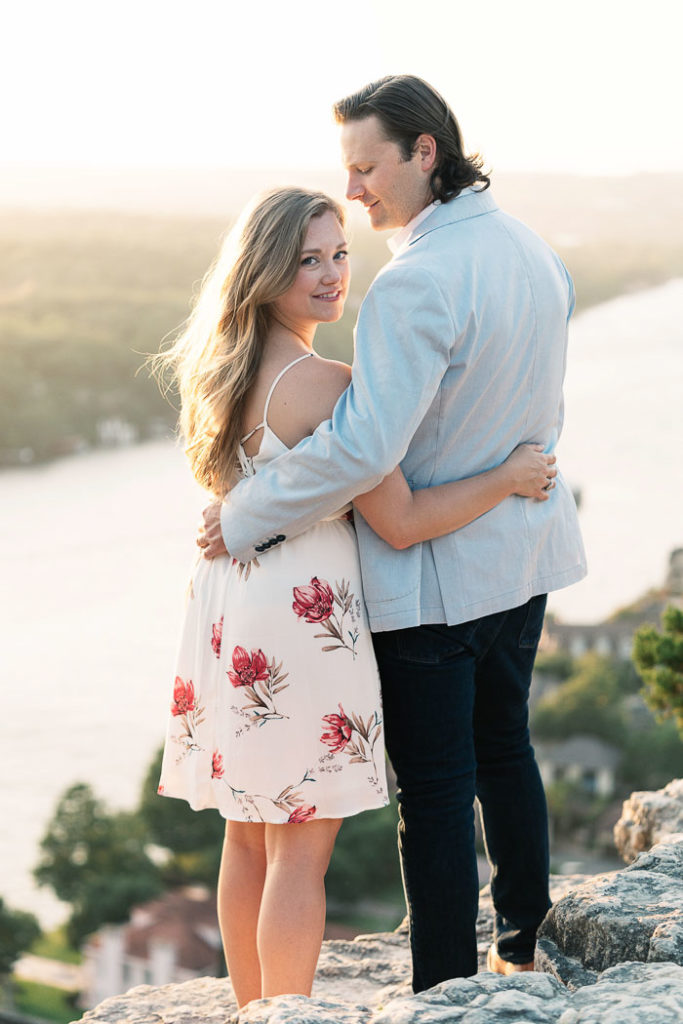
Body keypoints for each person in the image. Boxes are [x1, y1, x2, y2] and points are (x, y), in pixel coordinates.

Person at [199, 76, 587, 992]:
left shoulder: (415, 281)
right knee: (507, 749)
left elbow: (364, 445)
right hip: (521, 553)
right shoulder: (533, 248)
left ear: (423, 152)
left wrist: (243, 513)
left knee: (440, 793)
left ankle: (447, 988)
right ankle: (521, 942)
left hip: (438, 574)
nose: (358, 187)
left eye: (366, 166)